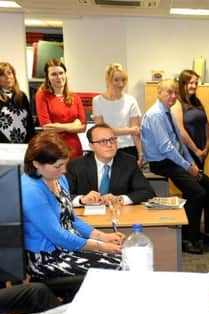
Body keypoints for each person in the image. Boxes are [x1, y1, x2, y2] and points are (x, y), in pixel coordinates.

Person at [21, 132, 123, 281]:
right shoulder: (30, 190)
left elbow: (71, 219)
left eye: (65, 164)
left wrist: (102, 236)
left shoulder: (58, 178)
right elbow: (57, 235)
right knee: (116, 267)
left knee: (123, 262)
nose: (64, 170)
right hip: (46, 258)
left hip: (67, 247)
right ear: (36, 164)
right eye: (58, 166)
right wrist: (100, 246)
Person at [141, 79, 209, 255]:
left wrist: (191, 163)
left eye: (175, 92)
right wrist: (187, 166)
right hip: (161, 163)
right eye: (169, 92)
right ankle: (187, 238)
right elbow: (166, 148)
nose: (173, 96)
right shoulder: (155, 115)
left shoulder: (168, 112)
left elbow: (180, 145)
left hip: (174, 160)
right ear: (159, 93)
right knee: (197, 193)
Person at [172, 69, 209, 244]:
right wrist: (196, 150)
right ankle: (188, 235)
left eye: (195, 83)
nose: (193, 86)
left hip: (201, 154)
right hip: (187, 156)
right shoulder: (177, 103)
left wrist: (207, 146)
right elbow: (181, 131)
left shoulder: (197, 101)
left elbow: (207, 124)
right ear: (183, 84)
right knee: (197, 192)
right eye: (190, 82)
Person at [66, 124, 155, 206]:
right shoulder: (76, 165)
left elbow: (147, 192)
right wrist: (81, 200)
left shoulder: (128, 162)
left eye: (112, 140)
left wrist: (120, 199)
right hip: (87, 217)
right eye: (103, 141)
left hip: (120, 216)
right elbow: (62, 195)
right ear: (91, 146)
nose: (109, 145)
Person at [92, 63, 144, 167]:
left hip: (129, 148)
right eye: (116, 80)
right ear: (108, 80)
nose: (121, 84)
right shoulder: (98, 101)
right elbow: (102, 132)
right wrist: (129, 130)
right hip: (107, 148)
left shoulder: (131, 100)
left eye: (123, 80)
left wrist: (140, 152)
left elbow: (136, 132)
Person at [35, 59, 86, 159]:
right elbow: (47, 127)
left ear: (65, 74)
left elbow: (83, 127)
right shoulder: (42, 96)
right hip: (54, 148)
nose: (59, 77)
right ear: (47, 77)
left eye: (61, 73)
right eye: (54, 74)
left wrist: (59, 126)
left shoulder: (75, 97)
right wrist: (73, 125)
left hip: (75, 148)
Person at [0, 62, 36, 144]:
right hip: (2, 147)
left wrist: (31, 143)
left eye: (9, 73)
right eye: (2, 74)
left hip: (23, 145)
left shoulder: (22, 96)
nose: (7, 77)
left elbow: (29, 123)